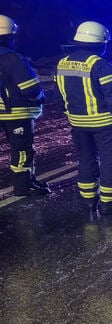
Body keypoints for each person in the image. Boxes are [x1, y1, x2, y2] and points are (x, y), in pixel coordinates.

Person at [55, 21, 112, 215]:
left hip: (77, 123)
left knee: (86, 159)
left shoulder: (62, 63)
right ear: (101, 44)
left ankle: (88, 200)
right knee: (110, 161)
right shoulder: (101, 66)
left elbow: (61, 95)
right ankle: (109, 203)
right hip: (105, 124)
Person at [0, 15, 51, 197]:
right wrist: (40, 97)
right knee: (22, 150)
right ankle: (23, 187)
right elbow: (30, 89)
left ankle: (29, 179)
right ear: (9, 37)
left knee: (19, 148)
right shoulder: (13, 59)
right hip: (16, 112)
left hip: (3, 112)